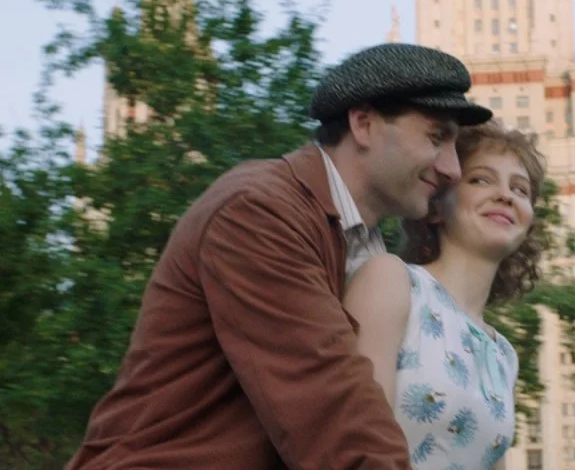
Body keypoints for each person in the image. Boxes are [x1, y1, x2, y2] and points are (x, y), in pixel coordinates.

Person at [65, 43, 492, 470]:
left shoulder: (359, 246)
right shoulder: (259, 213)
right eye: (436, 138)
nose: (451, 169)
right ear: (363, 124)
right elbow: (334, 413)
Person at [343, 120, 546, 470]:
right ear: (436, 207)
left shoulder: (503, 356)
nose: (506, 195)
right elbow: (354, 441)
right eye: (481, 179)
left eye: (520, 189)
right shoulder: (392, 282)